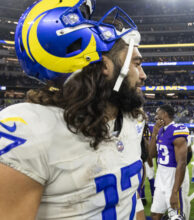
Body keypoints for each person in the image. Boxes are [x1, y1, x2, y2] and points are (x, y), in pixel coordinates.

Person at [0, 0, 147, 219]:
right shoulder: (28, 130)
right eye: (136, 63)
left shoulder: (131, 118)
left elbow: (130, 200)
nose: (143, 75)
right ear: (105, 66)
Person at [149, 104, 190, 220]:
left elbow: (181, 163)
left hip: (174, 178)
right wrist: (154, 134)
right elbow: (151, 154)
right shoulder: (160, 130)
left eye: (158, 113)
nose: (156, 116)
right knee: (155, 214)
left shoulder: (177, 130)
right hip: (161, 178)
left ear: (164, 114)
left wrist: (175, 191)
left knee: (176, 217)